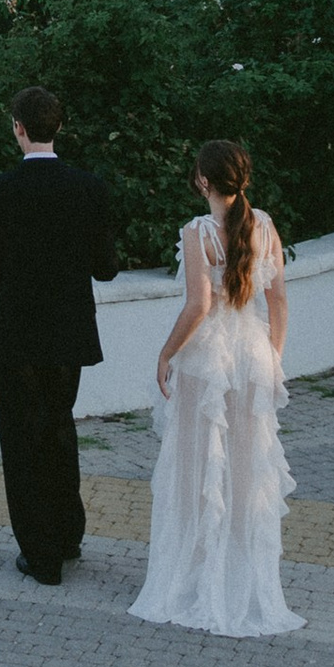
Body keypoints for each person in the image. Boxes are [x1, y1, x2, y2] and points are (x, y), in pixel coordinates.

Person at [130, 136, 303, 636]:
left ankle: (193, 575)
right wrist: (273, 357)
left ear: (203, 180)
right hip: (250, 355)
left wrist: (165, 354)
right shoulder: (265, 226)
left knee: (198, 464)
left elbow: (198, 306)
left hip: (207, 360)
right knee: (246, 467)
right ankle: (241, 576)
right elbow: (279, 302)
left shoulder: (197, 232)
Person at [0, 88, 118, 584]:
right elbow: (106, 269)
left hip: (16, 337)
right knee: (59, 428)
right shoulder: (91, 188)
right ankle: (68, 534)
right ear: (58, 129)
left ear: (18, 129)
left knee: (22, 442)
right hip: (69, 335)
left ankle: (42, 555)